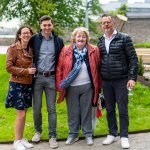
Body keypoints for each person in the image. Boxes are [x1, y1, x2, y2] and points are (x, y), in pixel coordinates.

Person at [97, 14, 138, 149]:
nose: (106, 25)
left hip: (121, 80)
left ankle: (124, 136)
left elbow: (133, 59)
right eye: (103, 23)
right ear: (101, 25)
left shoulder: (124, 38)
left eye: (108, 22)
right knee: (109, 109)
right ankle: (112, 134)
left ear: (113, 23)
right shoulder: (100, 41)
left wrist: (132, 77)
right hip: (106, 81)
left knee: (122, 109)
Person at [56, 27, 101, 146]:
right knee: (73, 112)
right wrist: (59, 85)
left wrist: (99, 86)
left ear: (87, 39)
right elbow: (59, 68)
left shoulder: (94, 50)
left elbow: (98, 68)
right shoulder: (66, 50)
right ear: (74, 38)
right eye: (78, 36)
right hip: (71, 87)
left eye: (83, 36)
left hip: (87, 87)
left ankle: (88, 135)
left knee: (87, 112)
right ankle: (73, 134)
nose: (81, 38)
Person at [29, 15, 64, 149]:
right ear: (40, 26)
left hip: (51, 78)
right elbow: (26, 53)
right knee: (37, 108)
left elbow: (61, 59)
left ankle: (52, 136)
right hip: (37, 78)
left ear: (52, 25)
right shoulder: (34, 39)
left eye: (49, 25)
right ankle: (38, 131)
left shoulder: (58, 40)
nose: (47, 27)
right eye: (44, 25)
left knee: (51, 109)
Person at [5, 26, 36, 150]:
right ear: (19, 35)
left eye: (28, 33)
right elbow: (9, 67)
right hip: (16, 84)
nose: (26, 35)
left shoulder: (32, 49)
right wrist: (26, 71)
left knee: (25, 112)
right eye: (24, 33)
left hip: (28, 84)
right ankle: (17, 141)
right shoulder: (12, 49)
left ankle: (21, 138)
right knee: (21, 114)